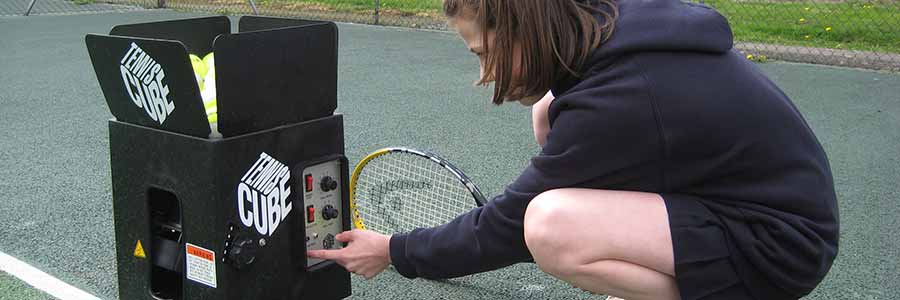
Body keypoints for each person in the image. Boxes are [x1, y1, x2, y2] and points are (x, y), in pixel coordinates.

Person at [308, 0, 840, 299]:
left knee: (548, 224)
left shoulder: (619, 100)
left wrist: (394, 250)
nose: (482, 75)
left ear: (520, 27)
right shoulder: (614, 29)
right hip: (750, 201)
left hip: (779, 246)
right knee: (547, 108)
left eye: (483, 53)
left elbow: (507, 227)